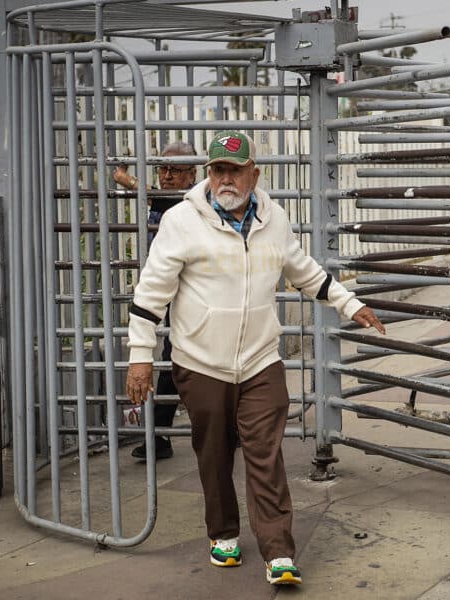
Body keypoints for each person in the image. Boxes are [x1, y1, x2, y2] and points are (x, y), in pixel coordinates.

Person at [125, 130, 385, 587]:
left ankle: (279, 551)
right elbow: (151, 294)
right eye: (218, 170)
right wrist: (140, 357)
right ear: (208, 172)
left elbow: (304, 271)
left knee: (265, 453)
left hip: (262, 360)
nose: (225, 179)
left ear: (254, 174)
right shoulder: (181, 222)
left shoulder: (275, 219)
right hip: (201, 361)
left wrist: (349, 303)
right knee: (213, 451)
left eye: (235, 170)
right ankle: (223, 531)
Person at [114, 141, 198, 461]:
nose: (167, 176)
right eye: (162, 169)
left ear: (192, 175)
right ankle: (161, 434)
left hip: (190, 291)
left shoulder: (190, 200)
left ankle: (217, 429)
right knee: (171, 357)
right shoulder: (166, 198)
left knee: (178, 358)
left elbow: (153, 193)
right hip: (167, 288)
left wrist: (125, 178)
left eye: (175, 170)